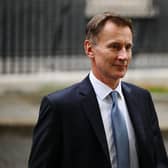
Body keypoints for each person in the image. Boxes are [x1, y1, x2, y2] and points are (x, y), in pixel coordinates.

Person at [28, 12, 168, 168]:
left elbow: (159, 160)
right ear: (89, 49)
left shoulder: (142, 98)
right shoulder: (59, 107)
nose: (123, 56)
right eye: (115, 47)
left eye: (127, 47)